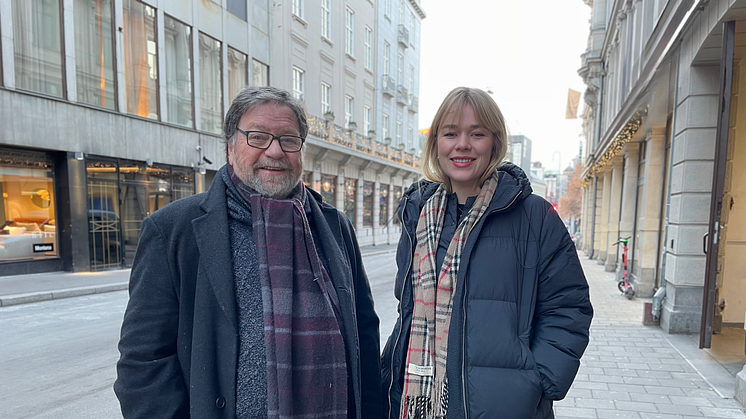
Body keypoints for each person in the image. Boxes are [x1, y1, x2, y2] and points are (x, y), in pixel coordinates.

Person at [114, 86, 383, 419]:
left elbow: (365, 337)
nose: (274, 151)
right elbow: (144, 361)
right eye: (257, 137)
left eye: (288, 139)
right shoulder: (173, 229)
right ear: (230, 148)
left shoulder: (333, 226)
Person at [380, 87, 593, 419]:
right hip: (414, 401)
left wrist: (536, 384)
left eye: (476, 133)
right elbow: (406, 311)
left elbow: (569, 306)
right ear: (437, 142)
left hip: (503, 406)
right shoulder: (417, 215)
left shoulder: (535, 216)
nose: (462, 144)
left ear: (494, 141)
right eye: (451, 133)